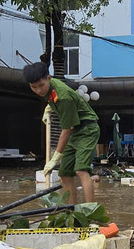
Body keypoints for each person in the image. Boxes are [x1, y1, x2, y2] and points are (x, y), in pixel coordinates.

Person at [26, 57, 99, 204]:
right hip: (75, 130)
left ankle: (91, 210)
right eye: (34, 87)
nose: (39, 90)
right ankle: (70, 209)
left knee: (81, 170)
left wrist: (55, 158)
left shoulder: (64, 97)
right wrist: (49, 108)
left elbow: (66, 130)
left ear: (48, 78)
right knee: (65, 173)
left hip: (87, 129)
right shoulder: (50, 87)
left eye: (41, 85)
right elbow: (53, 98)